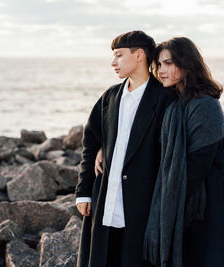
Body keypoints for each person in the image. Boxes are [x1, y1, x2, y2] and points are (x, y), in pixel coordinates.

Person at [75, 31, 176, 267]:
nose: (113, 62)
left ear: (139, 55)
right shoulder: (109, 97)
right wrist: (84, 191)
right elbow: (90, 143)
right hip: (105, 201)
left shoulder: (165, 99)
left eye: (119, 55)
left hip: (142, 204)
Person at [142, 37, 224, 267]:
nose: (161, 71)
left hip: (207, 200)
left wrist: (169, 201)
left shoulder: (206, 106)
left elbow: (197, 165)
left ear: (186, 65)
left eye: (168, 63)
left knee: (209, 258)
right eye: (159, 65)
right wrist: (102, 148)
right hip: (183, 197)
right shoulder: (173, 105)